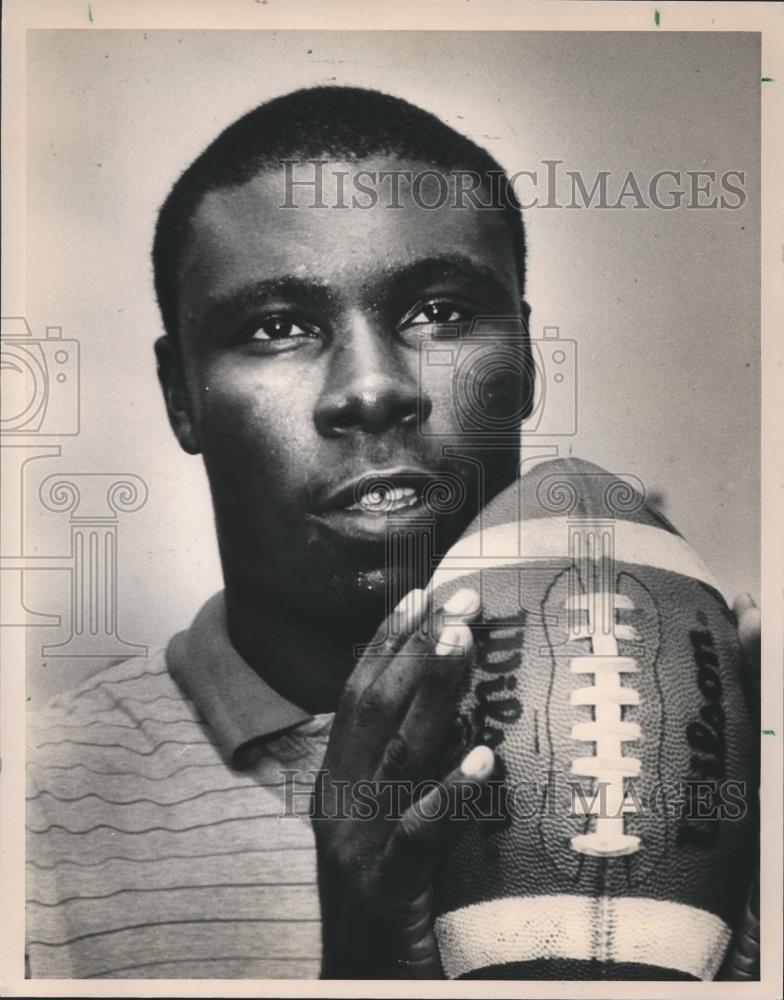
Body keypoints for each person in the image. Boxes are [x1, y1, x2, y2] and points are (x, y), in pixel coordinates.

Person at [25, 86, 760, 981]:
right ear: (182, 394)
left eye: (441, 313)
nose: (372, 387)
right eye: (278, 327)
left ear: (523, 361)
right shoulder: (31, 808)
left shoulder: (737, 756)